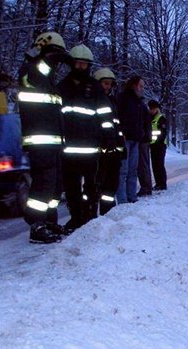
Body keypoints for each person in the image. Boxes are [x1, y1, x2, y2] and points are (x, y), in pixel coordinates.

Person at [18, 31, 70, 243]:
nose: (56, 62)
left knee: (55, 186)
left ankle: (49, 221)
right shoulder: (31, 71)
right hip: (40, 142)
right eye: (53, 55)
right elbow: (34, 72)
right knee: (43, 184)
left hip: (54, 143)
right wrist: (43, 55)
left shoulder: (48, 80)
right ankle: (36, 225)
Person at [58, 44, 112, 231]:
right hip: (68, 148)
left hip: (90, 147)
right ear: (72, 64)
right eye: (78, 64)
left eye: (84, 64)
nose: (80, 67)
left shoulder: (94, 87)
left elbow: (105, 114)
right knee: (71, 188)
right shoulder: (62, 87)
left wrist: (109, 137)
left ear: (88, 66)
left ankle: (90, 215)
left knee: (91, 185)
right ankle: (76, 217)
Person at [94, 67, 125, 214]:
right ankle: (93, 216)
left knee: (111, 185)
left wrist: (120, 145)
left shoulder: (112, 101)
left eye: (110, 84)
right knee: (97, 184)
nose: (107, 86)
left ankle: (108, 212)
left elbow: (116, 125)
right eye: (105, 83)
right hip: (100, 150)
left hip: (113, 150)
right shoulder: (93, 99)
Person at [117, 75, 151, 203]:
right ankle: (122, 200)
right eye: (141, 86)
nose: (142, 89)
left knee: (133, 170)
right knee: (123, 171)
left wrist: (143, 134)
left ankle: (131, 197)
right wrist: (120, 132)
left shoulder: (140, 102)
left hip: (136, 139)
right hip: (125, 139)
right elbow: (117, 117)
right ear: (134, 85)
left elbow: (145, 119)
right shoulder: (123, 98)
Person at [147, 100, 167, 191]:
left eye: (153, 108)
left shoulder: (161, 119)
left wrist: (157, 141)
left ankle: (162, 184)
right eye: (150, 108)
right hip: (153, 145)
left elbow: (163, 133)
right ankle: (158, 183)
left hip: (160, 145)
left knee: (159, 164)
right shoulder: (149, 118)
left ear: (157, 109)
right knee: (155, 165)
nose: (151, 110)